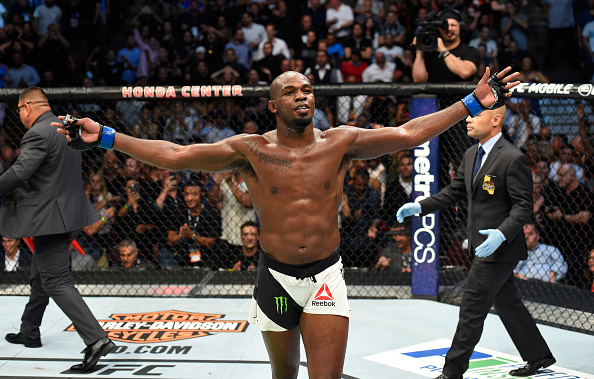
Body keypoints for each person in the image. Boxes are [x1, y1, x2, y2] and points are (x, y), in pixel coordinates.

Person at [53, 66, 519, 379]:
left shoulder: (340, 141)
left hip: (323, 277)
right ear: (273, 105)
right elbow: (176, 155)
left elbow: (407, 133)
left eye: (308, 90)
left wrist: (471, 103)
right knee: (283, 377)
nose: (303, 96)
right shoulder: (250, 149)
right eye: (291, 92)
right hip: (272, 277)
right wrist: (108, 137)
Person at [397, 105, 556, 378]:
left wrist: (502, 234)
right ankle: (539, 356)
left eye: (475, 115)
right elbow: (454, 191)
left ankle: (452, 371)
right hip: (481, 245)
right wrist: (420, 206)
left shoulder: (512, 158)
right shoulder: (472, 153)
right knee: (508, 302)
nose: (468, 119)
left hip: (500, 248)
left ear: (495, 121)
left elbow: (523, 206)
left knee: (471, 306)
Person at [0, 87, 114, 371]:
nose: (20, 117)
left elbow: (20, 172)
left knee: (56, 281)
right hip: (70, 212)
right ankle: (30, 330)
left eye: (19, 111)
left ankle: (96, 339)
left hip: (52, 218)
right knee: (42, 272)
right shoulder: (64, 127)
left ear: (26, 107)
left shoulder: (38, 133)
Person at [412, 9, 481, 83]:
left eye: (453, 25)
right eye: (444, 26)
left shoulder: (470, 51)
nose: (449, 29)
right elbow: (418, 80)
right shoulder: (430, 52)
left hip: (460, 94)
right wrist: (419, 51)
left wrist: (443, 50)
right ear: (439, 29)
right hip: (434, 94)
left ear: (460, 27)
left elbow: (465, 72)